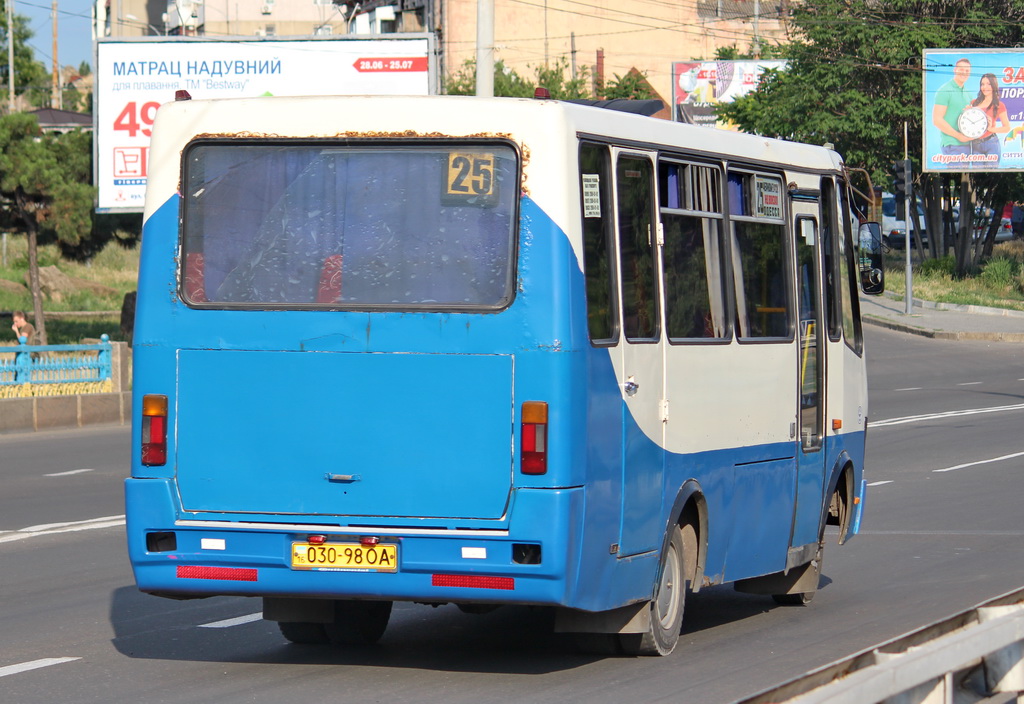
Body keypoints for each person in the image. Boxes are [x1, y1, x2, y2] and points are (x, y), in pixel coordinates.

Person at [932, 58, 974, 163]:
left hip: (967, 145)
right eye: (961, 69)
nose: (964, 73)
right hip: (952, 145)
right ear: (955, 70)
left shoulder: (968, 93)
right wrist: (959, 136)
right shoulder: (945, 90)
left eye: (967, 71)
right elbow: (937, 120)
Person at [968, 73, 1011, 166]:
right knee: (976, 174)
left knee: (992, 173)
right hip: (975, 143)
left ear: (993, 85)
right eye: (982, 84)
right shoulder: (973, 103)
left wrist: (991, 129)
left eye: (988, 84)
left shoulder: (999, 105)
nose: (985, 87)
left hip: (992, 143)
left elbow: (1007, 127)